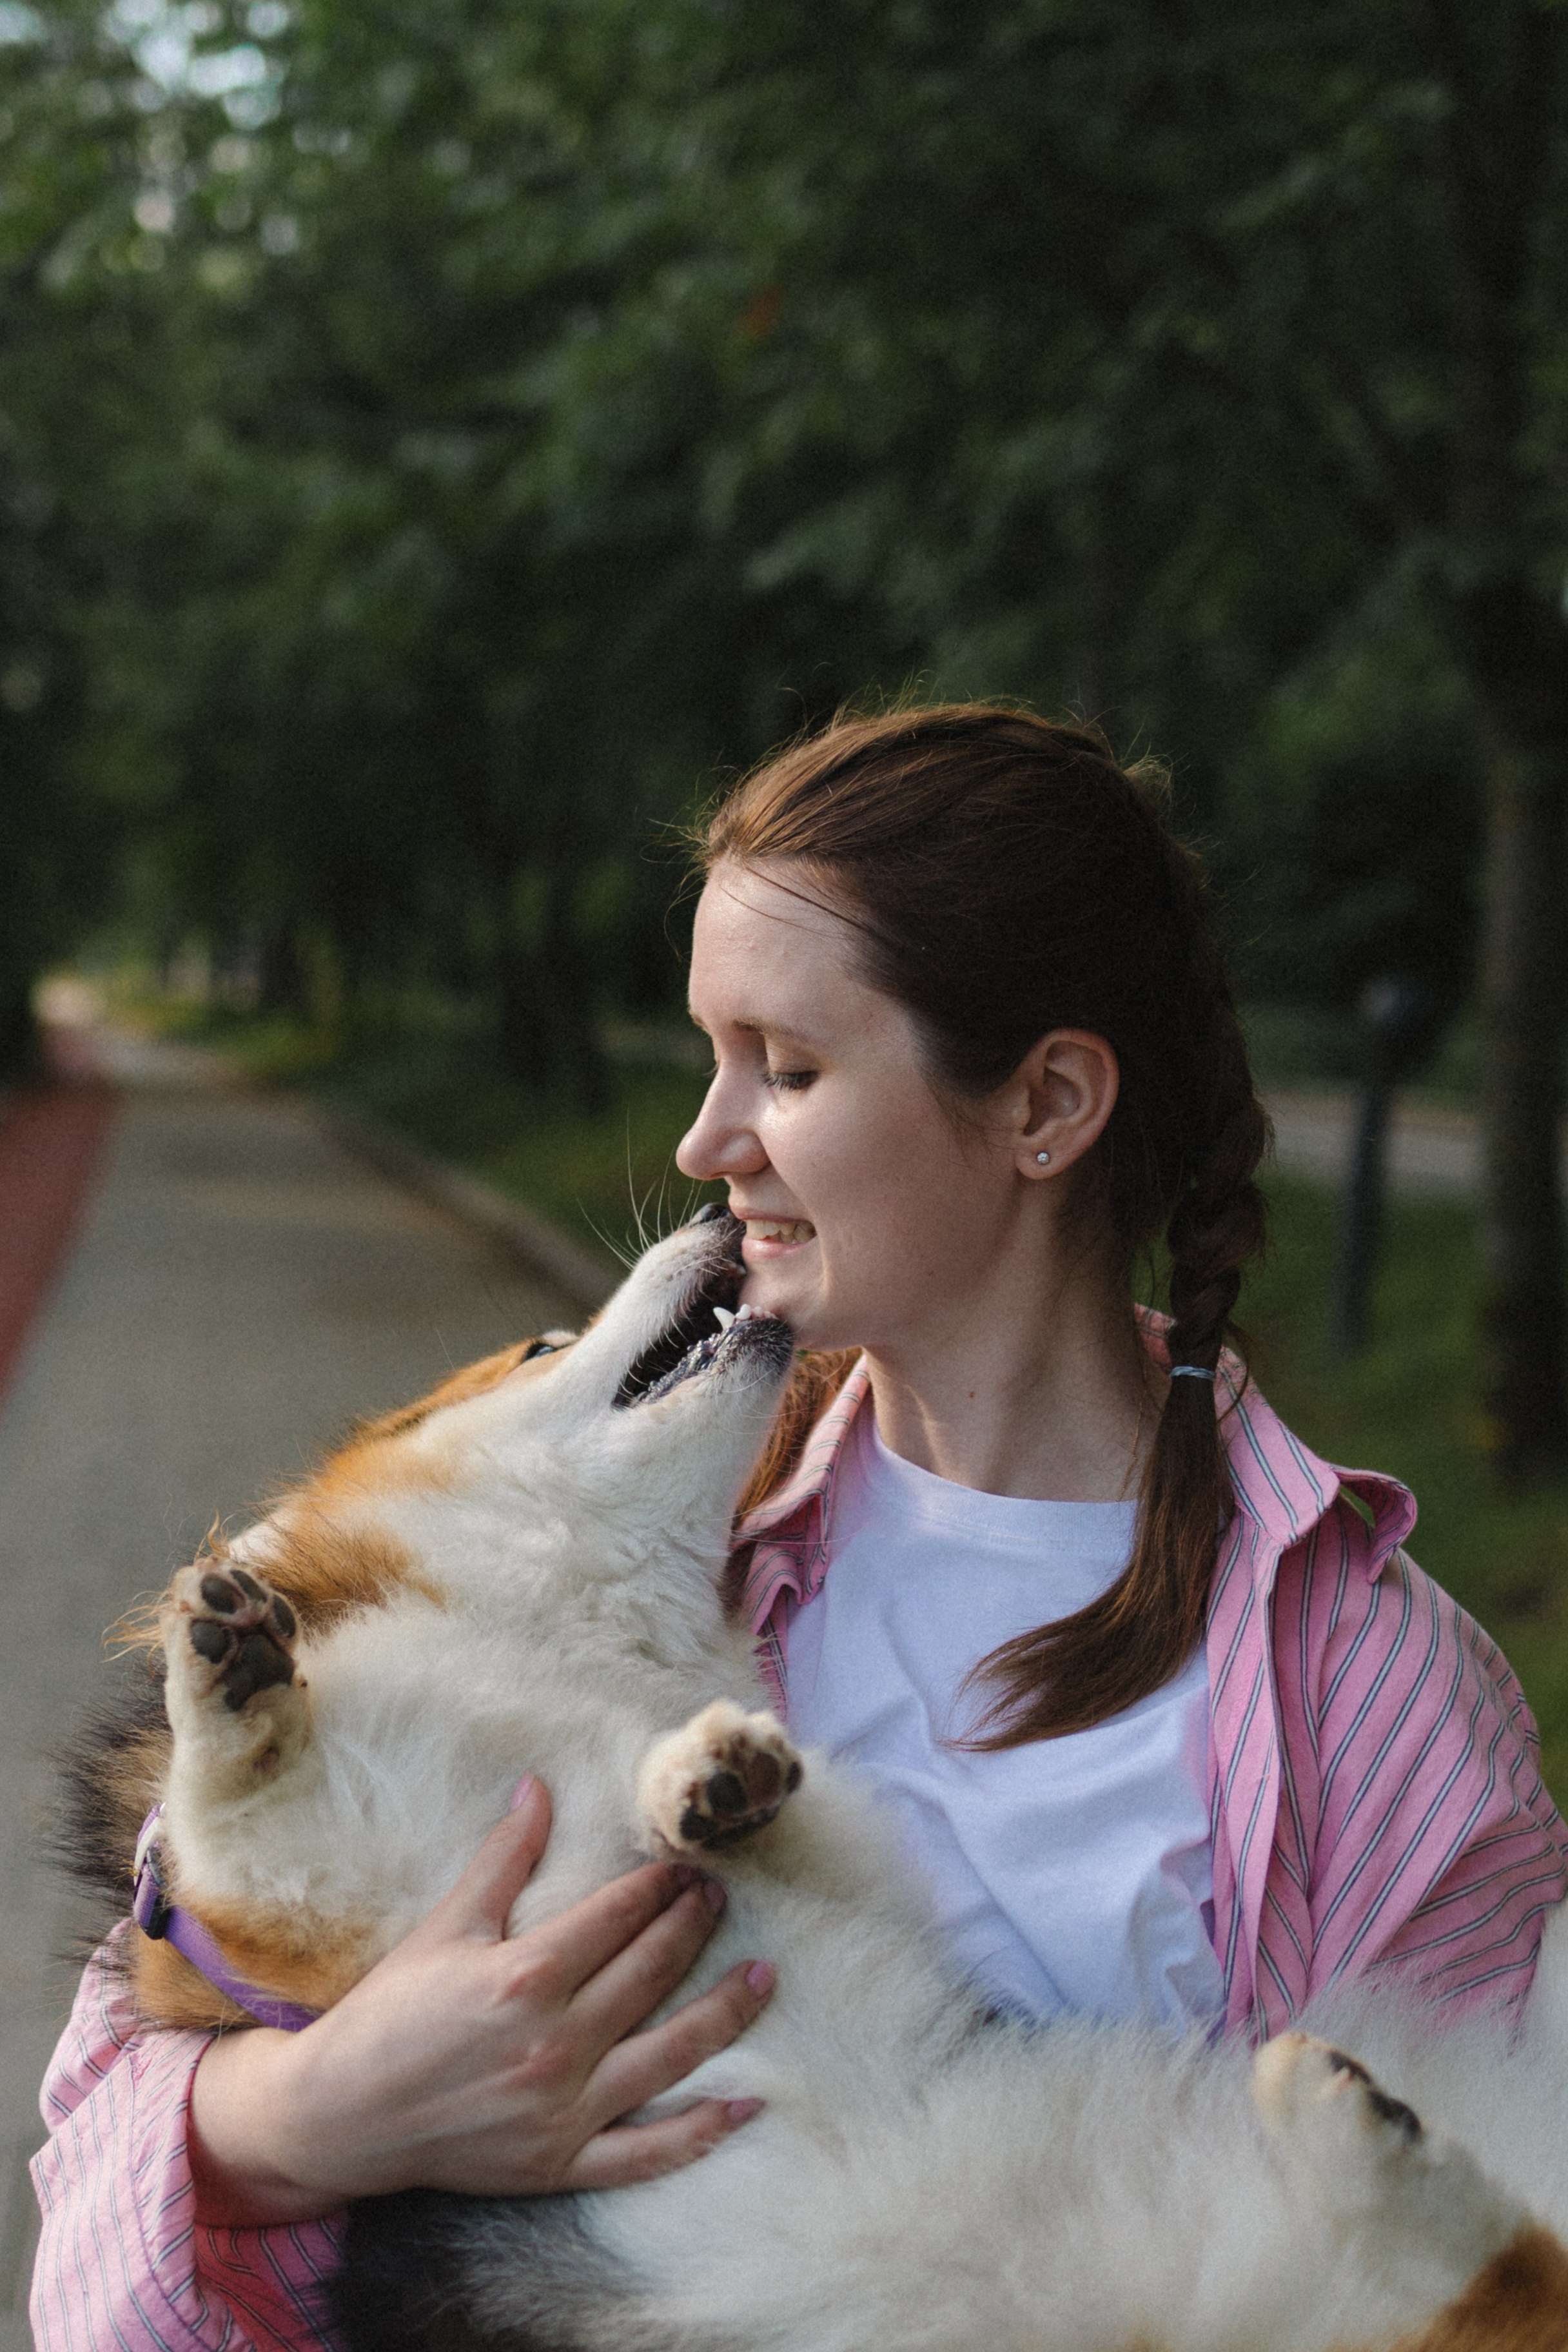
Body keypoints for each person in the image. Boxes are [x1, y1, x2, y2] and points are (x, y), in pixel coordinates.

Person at [32, 703, 1567, 2349]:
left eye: (792, 1066)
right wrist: (313, 2118)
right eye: (711, 1056)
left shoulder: (1372, 1692)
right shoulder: (594, 1514)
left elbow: (1482, 2246)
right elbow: (99, 2203)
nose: (706, 1142)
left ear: (1046, 1103)